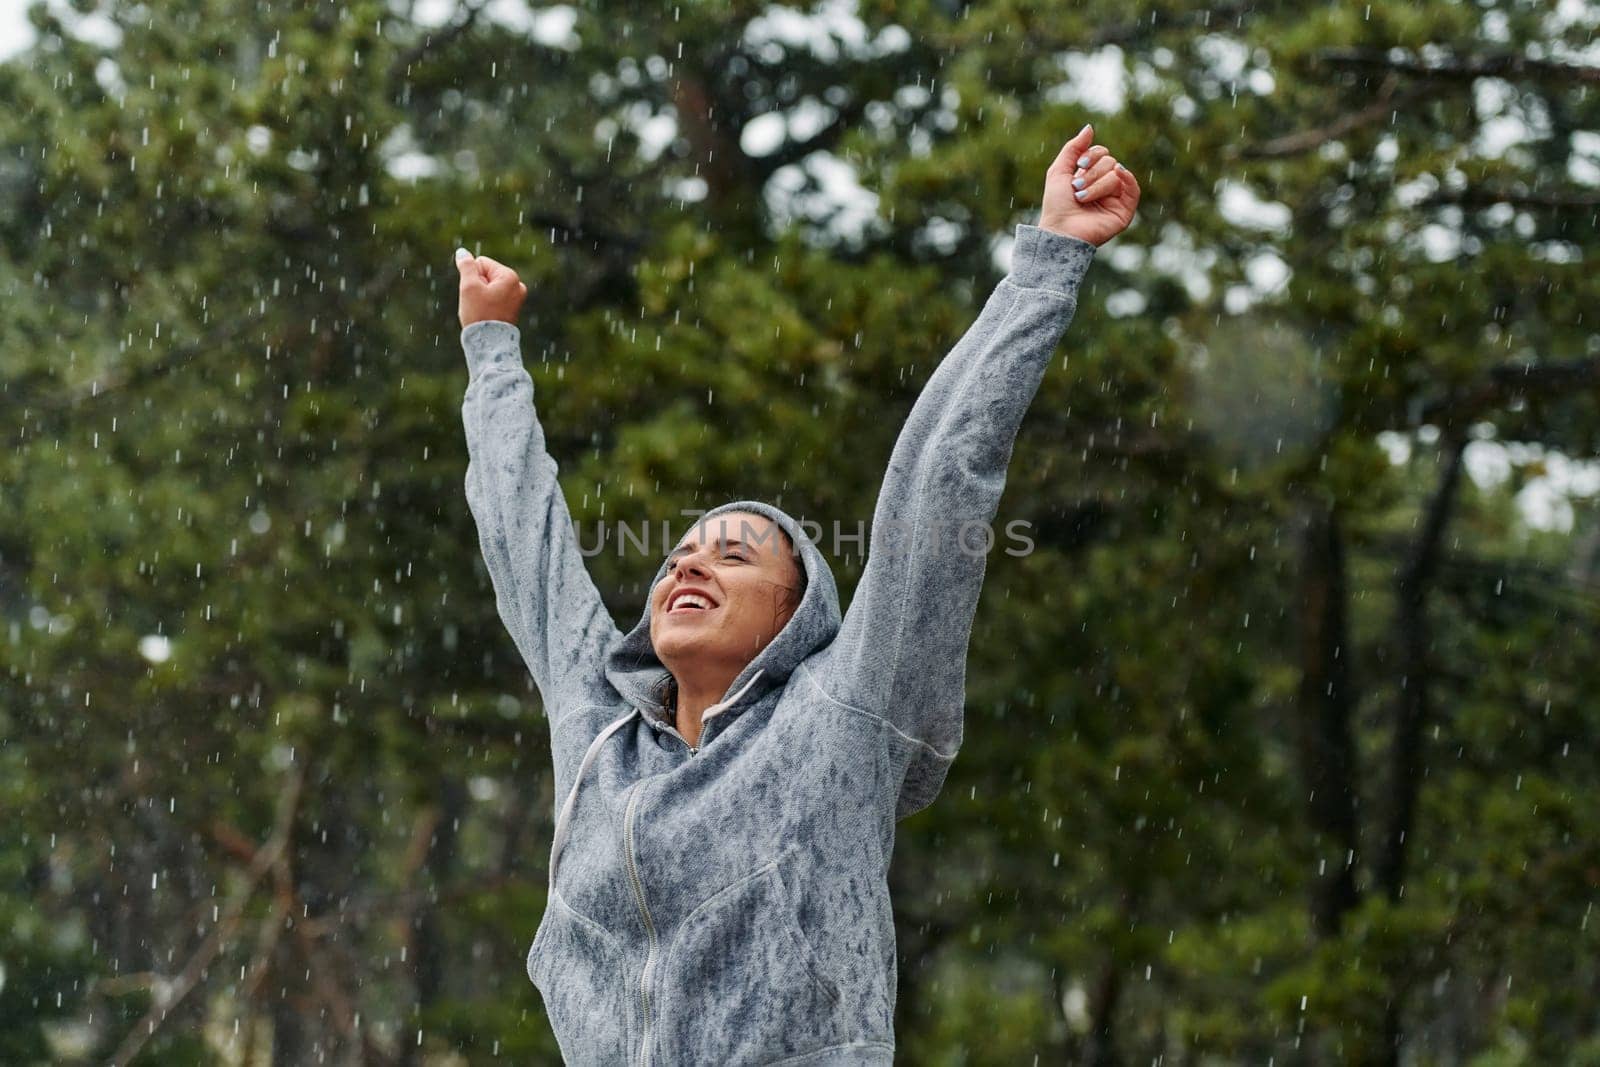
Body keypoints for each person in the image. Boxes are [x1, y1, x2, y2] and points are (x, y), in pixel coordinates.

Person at [457, 121, 1139, 1065]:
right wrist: (492, 351)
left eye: (735, 557)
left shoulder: (838, 715)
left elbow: (939, 477)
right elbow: (521, 537)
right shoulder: (598, 733)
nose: (688, 566)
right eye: (678, 558)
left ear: (794, 620)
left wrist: (1047, 261)